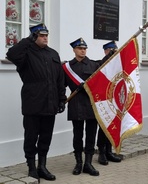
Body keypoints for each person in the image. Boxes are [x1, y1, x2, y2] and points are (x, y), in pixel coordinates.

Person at [6, 23, 66, 182]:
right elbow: (11, 54)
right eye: (41, 35)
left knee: (46, 137)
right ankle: (31, 166)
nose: (45, 37)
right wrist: (27, 40)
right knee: (31, 137)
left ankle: (42, 166)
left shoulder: (53, 54)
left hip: (50, 103)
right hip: (33, 103)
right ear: (34, 37)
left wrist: (62, 99)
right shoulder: (25, 54)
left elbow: (60, 79)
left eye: (47, 35)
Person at [63, 38, 99, 176]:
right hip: (76, 103)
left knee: (91, 135)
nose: (83, 50)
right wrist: (61, 100)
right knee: (77, 135)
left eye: (85, 48)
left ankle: (88, 163)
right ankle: (78, 163)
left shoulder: (93, 65)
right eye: (80, 48)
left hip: (91, 104)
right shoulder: (67, 67)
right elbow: (62, 85)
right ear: (74, 50)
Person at [96, 41, 122, 165]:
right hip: (103, 100)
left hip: (114, 100)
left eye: (115, 51)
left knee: (113, 126)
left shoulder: (117, 65)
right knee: (103, 127)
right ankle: (101, 152)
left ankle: (109, 151)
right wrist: (108, 57)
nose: (114, 53)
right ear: (106, 51)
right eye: (112, 51)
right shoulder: (102, 63)